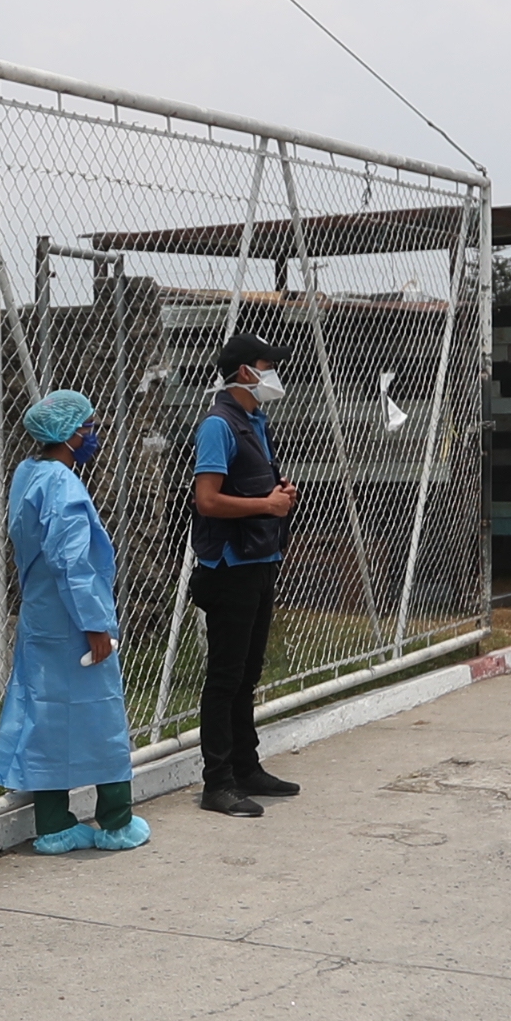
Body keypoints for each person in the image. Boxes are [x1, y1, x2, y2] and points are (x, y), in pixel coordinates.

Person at [0, 389, 149, 855]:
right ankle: (116, 820)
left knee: (46, 715)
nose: (93, 436)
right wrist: (95, 625)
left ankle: (54, 824)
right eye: (88, 428)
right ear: (68, 435)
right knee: (101, 714)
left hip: (41, 615)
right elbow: (72, 562)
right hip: (73, 621)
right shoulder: (62, 485)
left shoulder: (29, 474)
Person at [187, 332, 302, 818]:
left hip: (258, 561)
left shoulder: (255, 420)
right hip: (229, 566)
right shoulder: (219, 424)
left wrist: (278, 495)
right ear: (244, 372)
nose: (273, 373)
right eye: (266, 365)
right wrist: (266, 505)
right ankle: (218, 782)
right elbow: (207, 499)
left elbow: (252, 488)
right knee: (226, 676)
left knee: (248, 672)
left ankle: (245, 766)